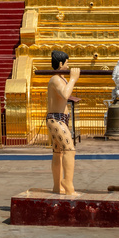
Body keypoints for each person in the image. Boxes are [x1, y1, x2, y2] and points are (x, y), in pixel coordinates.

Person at [46, 50, 80, 195]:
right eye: (67, 63)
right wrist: (73, 79)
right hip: (56, 119)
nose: (68, 66)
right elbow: (65, 94)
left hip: (61, 118)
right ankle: (67, 183)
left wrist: (69, 80)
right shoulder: (55, 79)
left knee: (58, 152)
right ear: (60, 64)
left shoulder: (61, 79)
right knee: (69, 149)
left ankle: (57, 186)